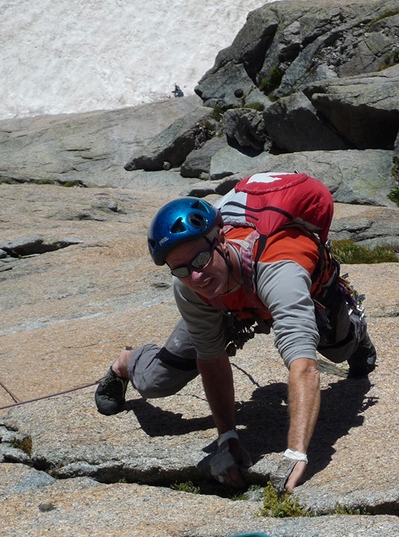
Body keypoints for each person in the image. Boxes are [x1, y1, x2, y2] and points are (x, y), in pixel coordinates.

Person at [95, 172, 376, 492]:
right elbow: (211, 359)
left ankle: (356, 328)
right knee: (155, 381)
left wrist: (296, 452)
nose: (196, 276)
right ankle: (124, 363)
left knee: (340, 349)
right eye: (182, 269)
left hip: (296, 289)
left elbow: (304, 367)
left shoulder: (279, 269)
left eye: (201, 259)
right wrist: (227, 436)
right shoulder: (190, 286)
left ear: (222, 238)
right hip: (227, 304)